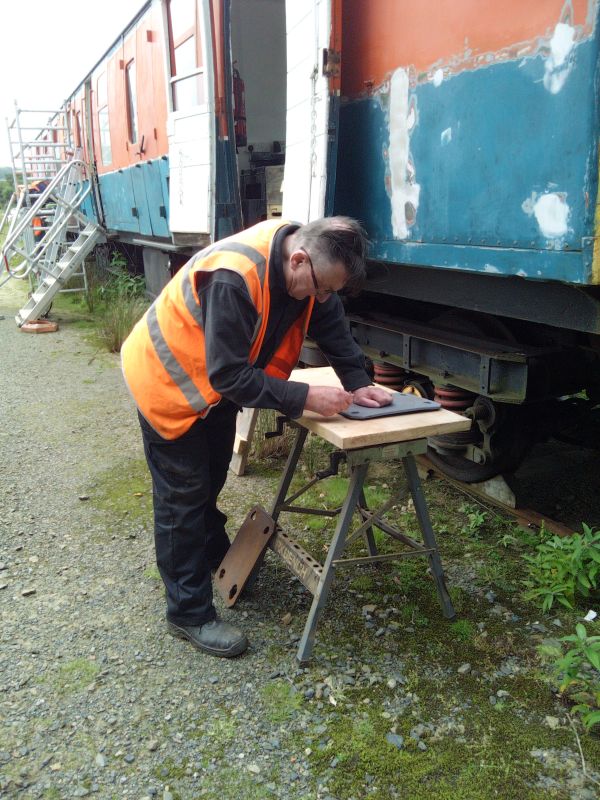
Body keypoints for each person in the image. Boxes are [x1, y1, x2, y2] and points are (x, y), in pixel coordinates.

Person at [121, 216, 391, 658]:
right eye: (321, 288)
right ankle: (187, 613)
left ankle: (210, 557)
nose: (323, 298)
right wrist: (304, 396)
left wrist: (357, 380)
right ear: (300, 260)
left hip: (211, 390)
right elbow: (229, 376)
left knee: (209, 479)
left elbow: (329, 320)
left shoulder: (303, 262)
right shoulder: (234, 278)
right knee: (182, 497)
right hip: (167, 384)